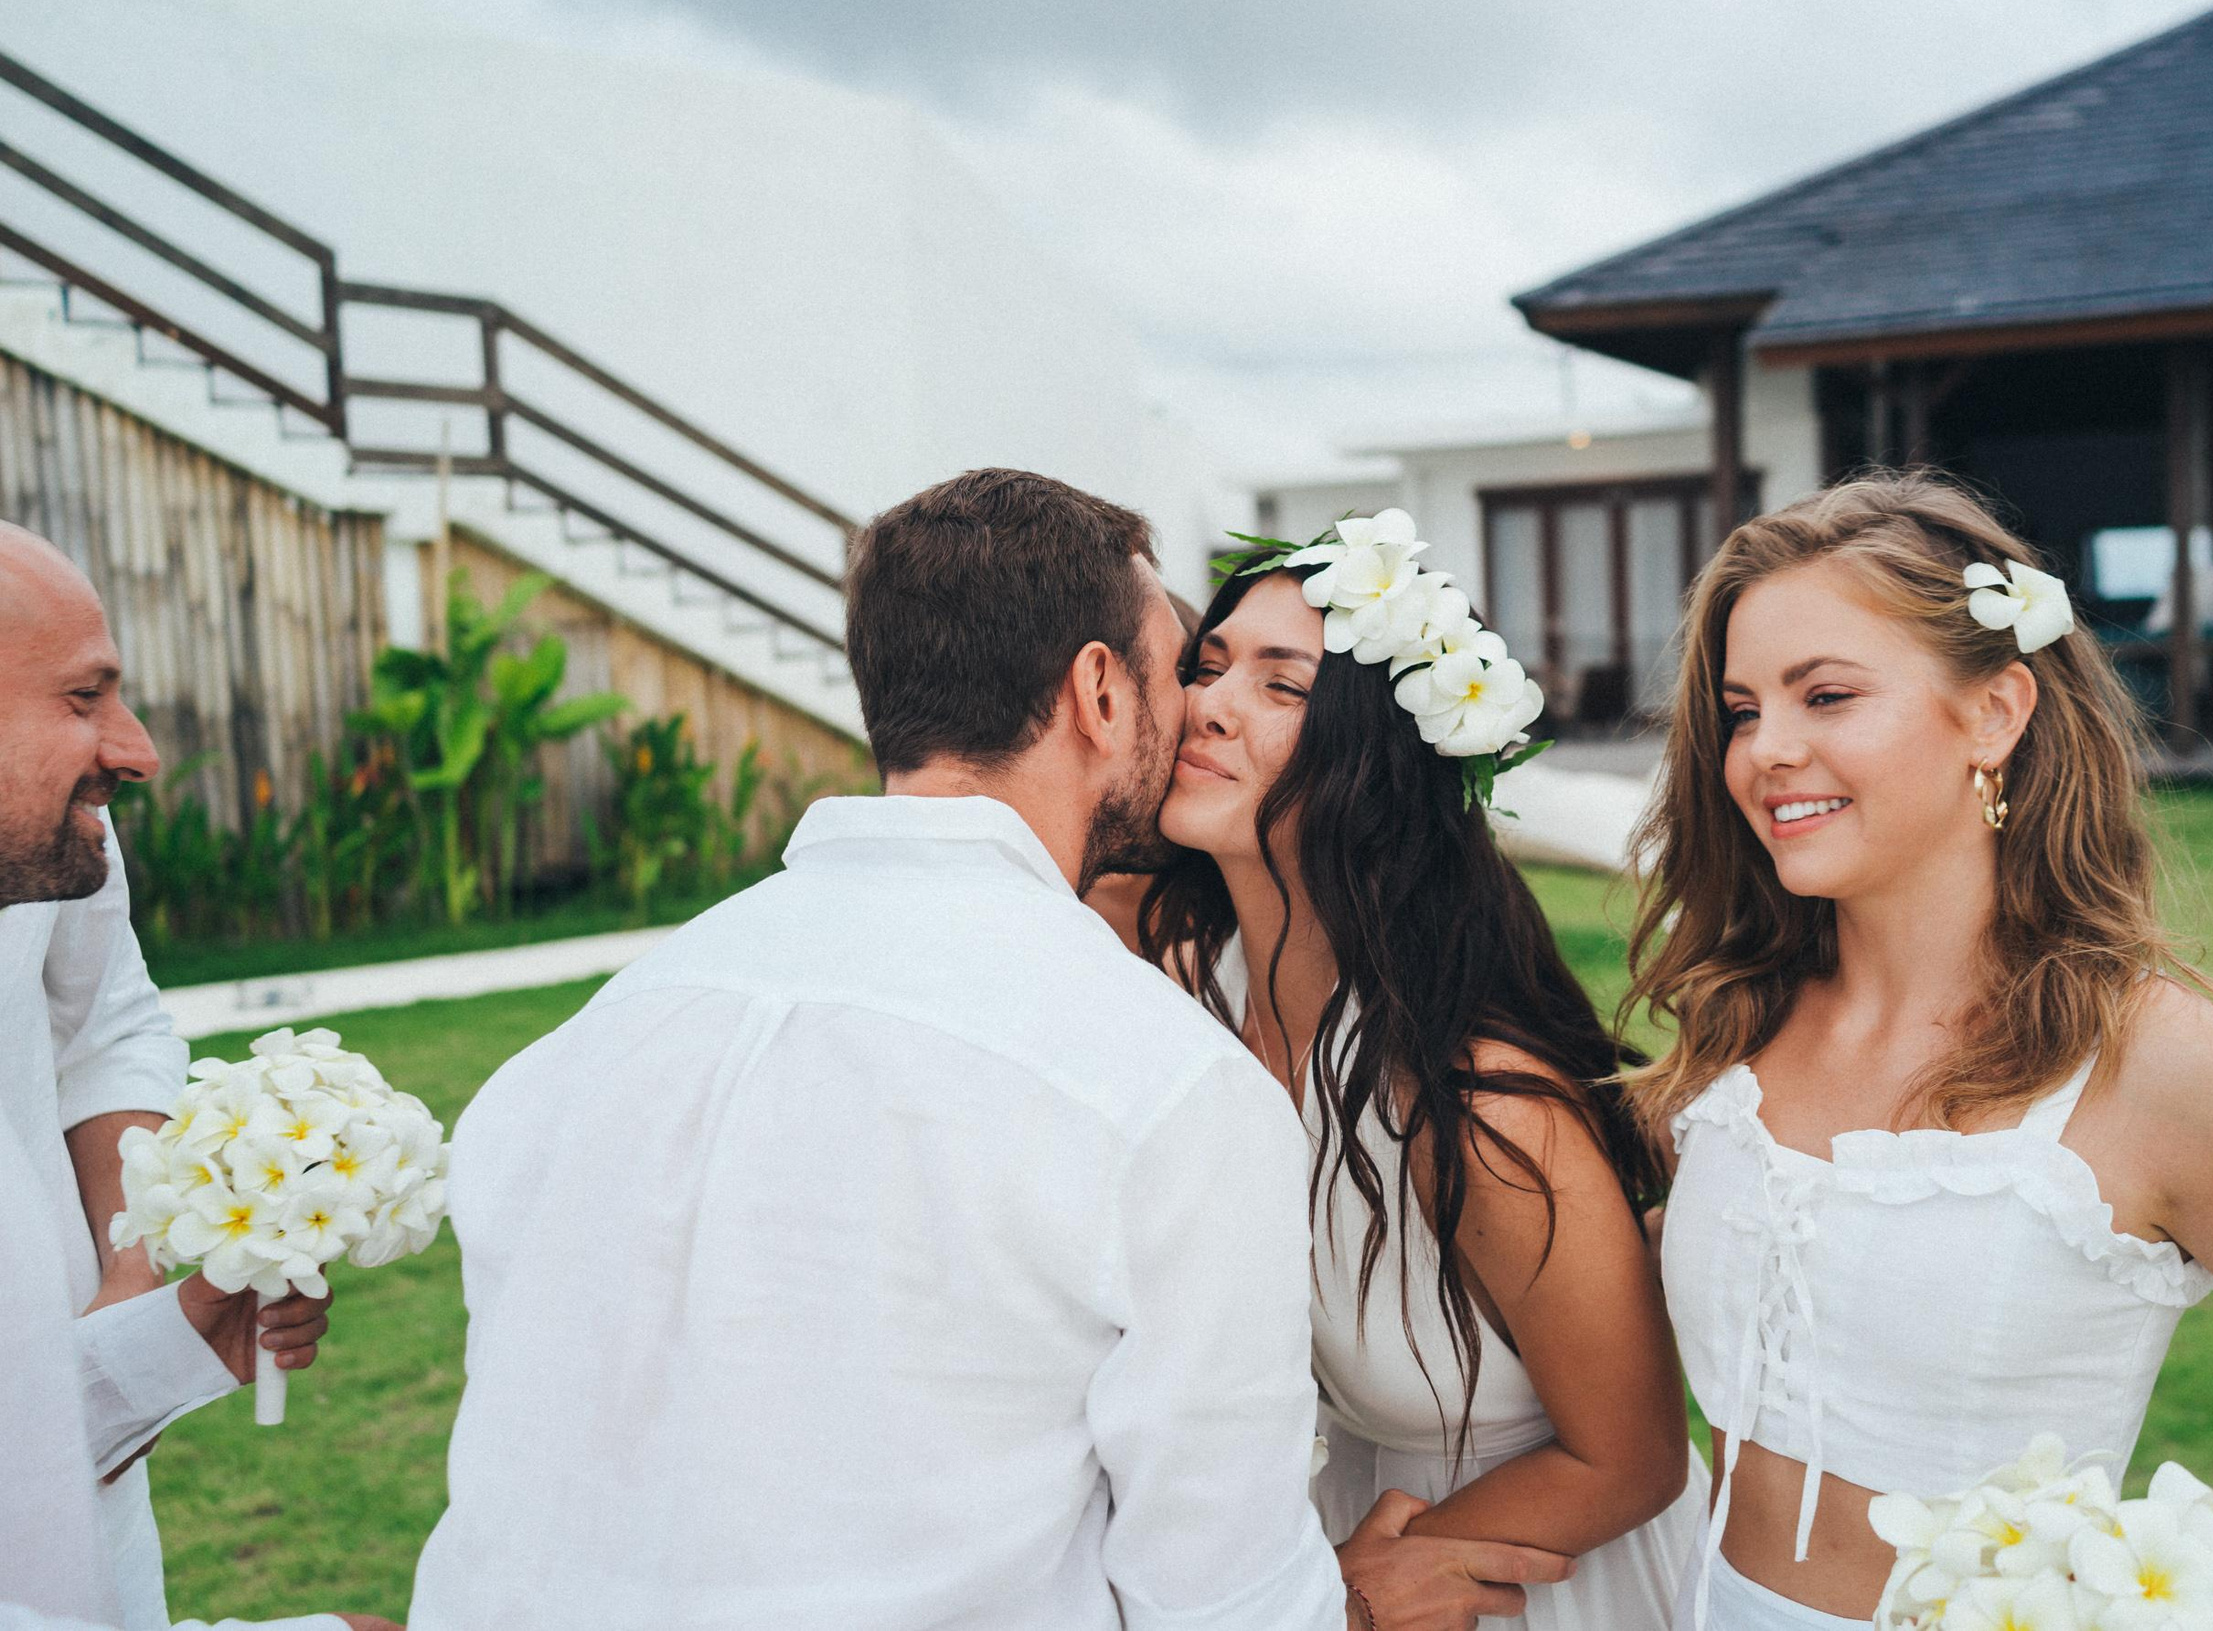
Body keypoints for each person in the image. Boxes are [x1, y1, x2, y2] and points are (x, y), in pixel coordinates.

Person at [405, 469, 1568, 1631]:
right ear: (1100, 693)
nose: (1200, 713)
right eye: (1182, 672)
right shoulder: (1164, 1090)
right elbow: (1221, 1603)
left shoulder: (572, 1052)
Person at [1626, 473, 2213, 1630]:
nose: (1765, 751)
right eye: (1744, 710)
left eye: (1828, 696)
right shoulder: (1734, 1027)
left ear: (1995, 713)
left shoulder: (2161, 1066)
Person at [1138, 513, 1704, 1629]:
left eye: (1280, 686)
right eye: (1208, 666)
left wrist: (1368, 1585)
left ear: (1376, 764)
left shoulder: (1477, 1101)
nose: (1206, 703)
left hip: (1524, 1573)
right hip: (1326, 1534)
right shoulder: (1187, 997)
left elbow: (1633, 1457)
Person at [0, 521, 385, 1630]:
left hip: (79, 1458)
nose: (137, 750)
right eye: (84, 698)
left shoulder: (65, 842)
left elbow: (105, 1022)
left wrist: (139, 1289)